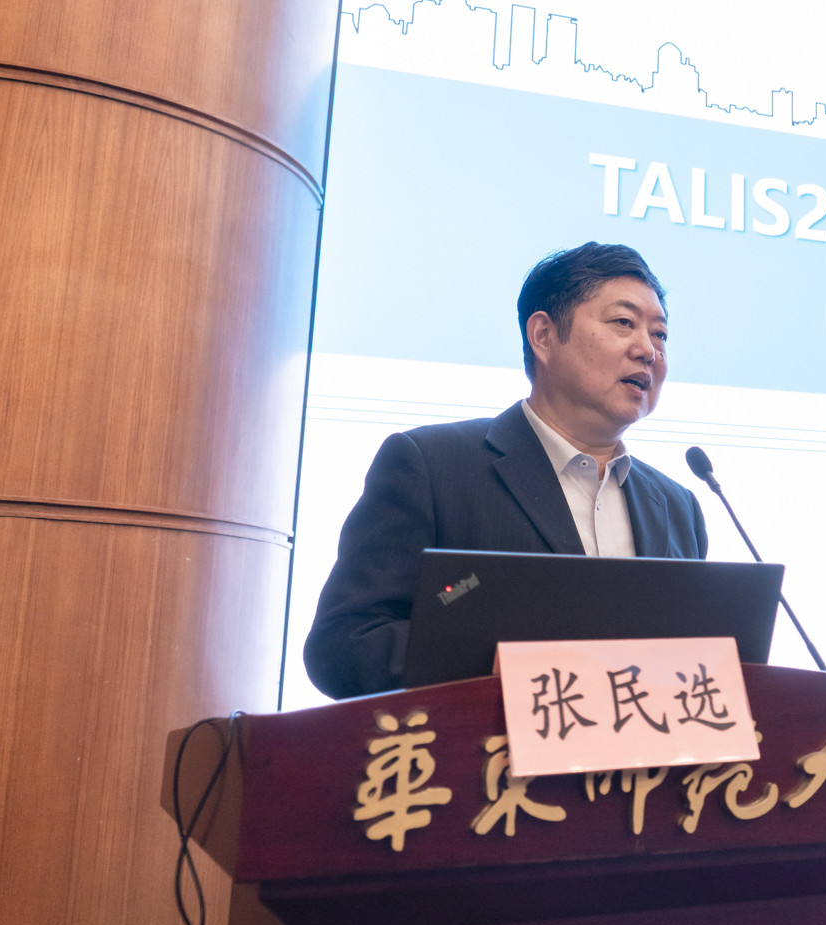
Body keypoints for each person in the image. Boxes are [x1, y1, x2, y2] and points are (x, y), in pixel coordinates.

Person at [303, 242, 707, 698]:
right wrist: (503, 669)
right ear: (543, 336)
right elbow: (344, 646)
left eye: (660, 334)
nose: (648, 351)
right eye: (623, 323)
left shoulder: (678, 507)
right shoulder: (432, 467)